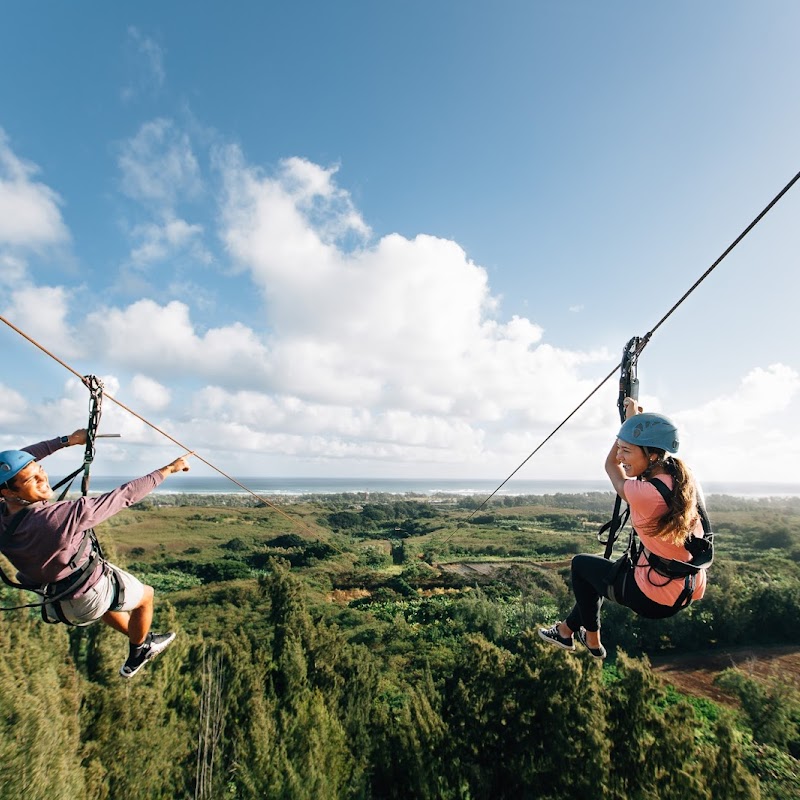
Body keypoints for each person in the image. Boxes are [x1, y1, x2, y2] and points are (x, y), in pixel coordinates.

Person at [0, 429, 192, 678]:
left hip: (58, 601)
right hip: (87, 596)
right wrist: (169, 469)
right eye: (31, 480)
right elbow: (124, 496)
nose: (42, 479)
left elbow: (20, 459)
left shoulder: (4, 511)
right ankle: (140, 651)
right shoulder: (57, 518)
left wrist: (66, 441)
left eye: (40, 470)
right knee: (146, 596)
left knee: (107, 601)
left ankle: (137, 639)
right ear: (9, 492)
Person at [538, 398, 708, 659]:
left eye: (626, 450)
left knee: (581, 566)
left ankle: (592, 638)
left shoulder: (647, 493)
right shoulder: (683, 479)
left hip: (654, 598)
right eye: (620, 449)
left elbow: (611, 467)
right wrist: (633, 427)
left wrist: (629, 423)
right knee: (606, 574)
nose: (620, 456)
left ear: (652, 454)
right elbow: (635, 459)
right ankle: (565, 631)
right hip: (685, 586)